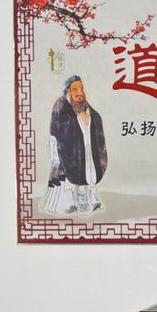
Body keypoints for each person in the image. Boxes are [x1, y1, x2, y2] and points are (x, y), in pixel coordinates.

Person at [43, 75, 108, 215]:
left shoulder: (83, 104)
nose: (80, 93)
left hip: (84, 150)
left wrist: (90, 120)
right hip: (65, 152)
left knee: (88, 173)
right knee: (68, 182)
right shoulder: (61, 104)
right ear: (68, 91)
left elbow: (93, 116)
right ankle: (68, 204)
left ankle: (91, 201)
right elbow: (56, 131)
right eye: (75, 89)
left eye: (82, 89)